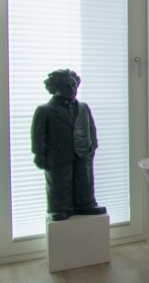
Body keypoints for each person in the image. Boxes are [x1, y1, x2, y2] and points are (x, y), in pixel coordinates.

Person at [31, 69, 107, 221]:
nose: (72, 89)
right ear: (55, 87)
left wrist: (93, 147)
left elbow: (91, 128)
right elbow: (38, 135)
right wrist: (39, 154)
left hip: (83, 151)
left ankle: (86, 204)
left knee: (85, 180)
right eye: (66, 86)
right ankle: (60, 208)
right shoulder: (44, 110)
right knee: (59, 182)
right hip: (58, 154)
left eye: (73, 85)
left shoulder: (84, 108)